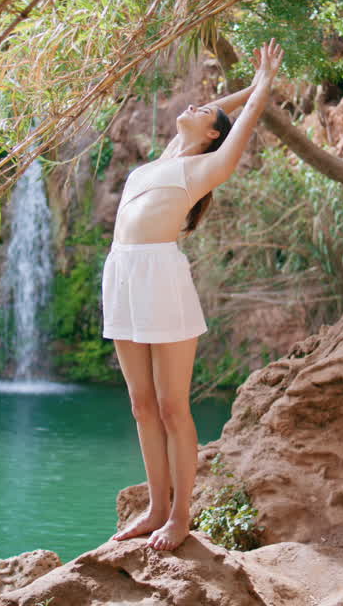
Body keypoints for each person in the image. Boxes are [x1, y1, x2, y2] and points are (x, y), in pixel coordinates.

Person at [102, 38, 284, 551]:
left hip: (161, 280)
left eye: (204, 111)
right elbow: (221, 114)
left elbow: (238, 128)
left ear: (210, 136)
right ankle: (156, 508)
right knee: (141, 405)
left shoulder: (205, 169)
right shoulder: (166, 159)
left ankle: (181, 515)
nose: (196, 105)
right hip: (121, 276)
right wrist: (246, 86)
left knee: (171, 406)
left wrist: (264, 86)